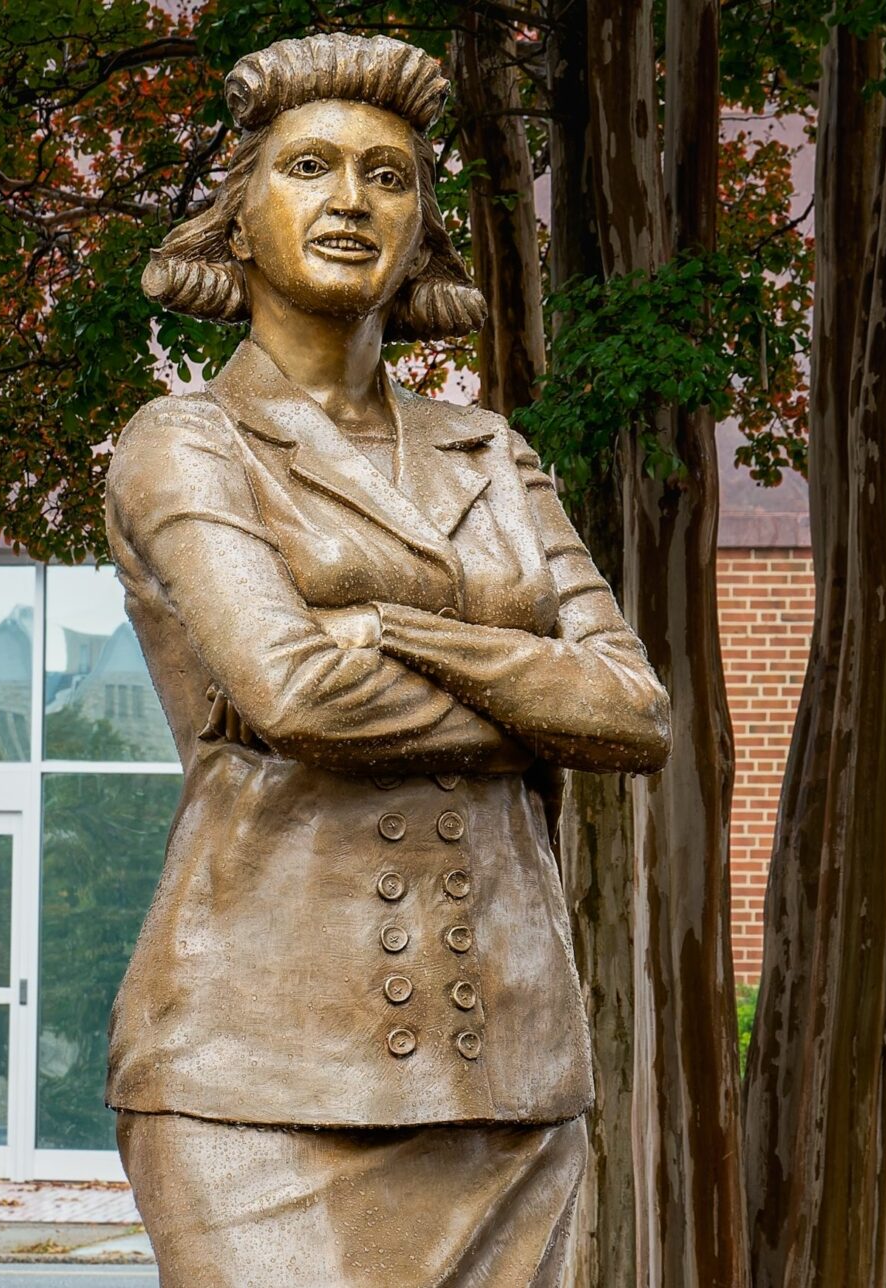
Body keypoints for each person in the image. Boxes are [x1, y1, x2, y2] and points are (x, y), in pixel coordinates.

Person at [103, 31, 672, 1287]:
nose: (353, 200)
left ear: (423, 232)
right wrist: (528, 682)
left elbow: (633, 714)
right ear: (236, 221)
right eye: (309, 166)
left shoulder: (493, 456)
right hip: (253, 1064)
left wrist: (391, 630)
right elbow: (294, 694)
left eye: (391, 176)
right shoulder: (185, 443)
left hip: (510, 1071)